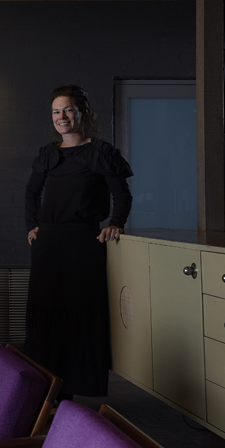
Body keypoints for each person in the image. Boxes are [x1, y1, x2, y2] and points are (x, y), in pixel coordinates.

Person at [24, 85, 133, 400]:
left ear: (83, 113)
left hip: (83, 245)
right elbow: (31, 193)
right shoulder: (48, 153)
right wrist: (32, 225)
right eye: (56, 112)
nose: (62, 117)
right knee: (45, 318)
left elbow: (122, 196)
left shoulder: (101, 153)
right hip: (48, 246)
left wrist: (115, 223)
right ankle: (46, 392)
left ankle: (75, 390)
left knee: (80, 318)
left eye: (68, 110)